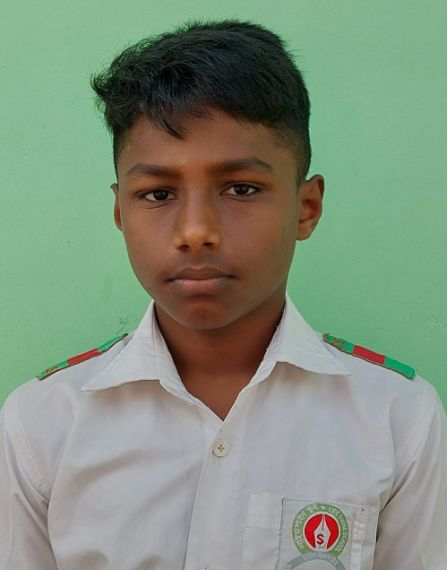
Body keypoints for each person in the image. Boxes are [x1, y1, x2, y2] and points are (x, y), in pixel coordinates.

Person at [0, 18, 445, 570]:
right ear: (119, 211)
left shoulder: (397, 419)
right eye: (157, 193)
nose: (195, 232)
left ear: (306, 208)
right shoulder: (42, 425)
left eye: (241, 188)